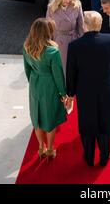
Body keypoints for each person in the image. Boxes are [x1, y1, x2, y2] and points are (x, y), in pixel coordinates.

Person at [66, 11, 110, 167]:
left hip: (85, 90)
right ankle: (105, 156)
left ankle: (88, 157)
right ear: (100, 25)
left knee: (87, 124)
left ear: (84, 26)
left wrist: (70, 92)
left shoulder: (75, 46)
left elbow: (71, 71)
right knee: (105, 123)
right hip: (106, 87)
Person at [23, 18, 68, 161]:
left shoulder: (26, 46)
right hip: (50, 85)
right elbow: (58, 75)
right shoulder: (52, 51)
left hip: (35, 84)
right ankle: (49, 150)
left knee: (37, 118)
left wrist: (34, 83)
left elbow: (27, 70)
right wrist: (63, 93)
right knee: (50, 120)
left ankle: (40, 147)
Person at [46, 0, 84, 75]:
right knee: (60, 69)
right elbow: (48, 27)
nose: (68, 1)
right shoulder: (51, 7)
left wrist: (80, 40)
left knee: (72, 69)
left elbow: (81, 25)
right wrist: (49, 43)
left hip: (73, 40)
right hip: (57, 41)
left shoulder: (77, 6)